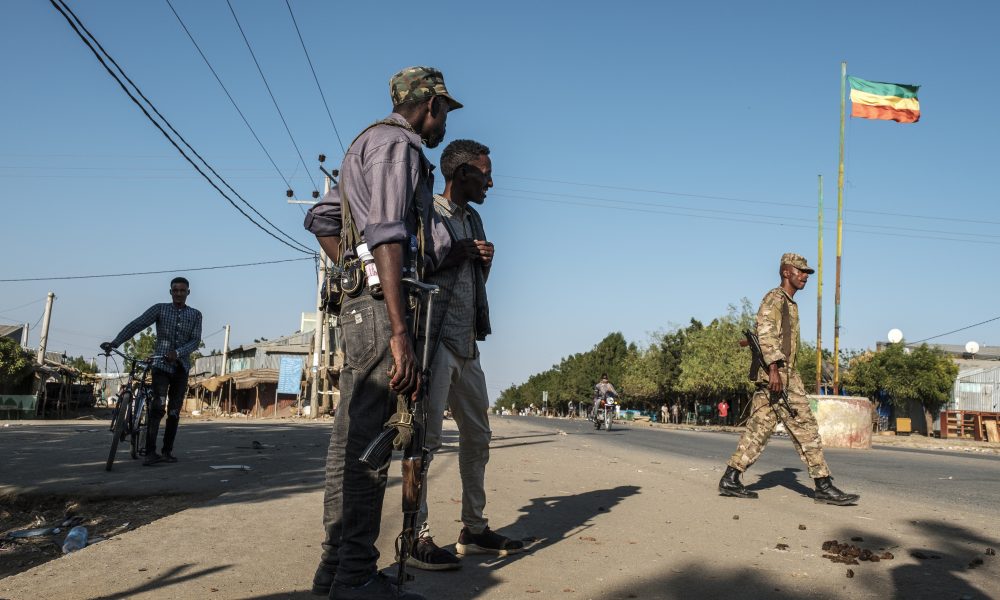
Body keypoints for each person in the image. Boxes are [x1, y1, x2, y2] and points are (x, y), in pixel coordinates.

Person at [305, 66, 462, 600]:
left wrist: (353, 269)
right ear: (429, 104)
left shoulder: (362, 145)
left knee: (349, 440)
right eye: (444, 112)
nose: (442, 126)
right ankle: (354, 577)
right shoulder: (400, 146)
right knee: (374, 439)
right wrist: (398, 326)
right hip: (381, 312)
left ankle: (335, 569)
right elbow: (389, 234)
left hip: (362, 307)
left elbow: (323, 219)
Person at [405, 139, 525, 572]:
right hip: (434, 344)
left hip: (466, 345)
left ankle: (473, 530)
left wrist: (483, 261)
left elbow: (472, 281)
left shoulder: (474, 217)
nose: (490, 181)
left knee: (478, 436)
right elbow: (409, 269)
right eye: (484, 174)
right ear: (461, 175)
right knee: (426, 442)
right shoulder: (427, 213)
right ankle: (413, 538)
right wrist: (453, 253)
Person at [718, 253, 860, 506]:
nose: (805, 276)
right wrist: (774, 369)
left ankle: (731, 478)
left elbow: (766, 335)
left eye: (807, 273)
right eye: (801, 271)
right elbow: (766, 332)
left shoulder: (789, 303)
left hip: (779, 374)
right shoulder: (775, 298)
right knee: (806, 428)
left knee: (759, 429)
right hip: (780, 375)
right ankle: (823, 485)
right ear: (786, 272)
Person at [100, 277, 202, 466]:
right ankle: (150, 452)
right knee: (157, 408)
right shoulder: (160, 309)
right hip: (160, 367)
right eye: (175, 290)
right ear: (170, 292)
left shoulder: (196, 315)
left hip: (181, 368)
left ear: (188, 293)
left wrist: (178, 353)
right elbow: (137, 324)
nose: (178, 293)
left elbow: (195, 341)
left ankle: (167, 452)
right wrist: (115, 342)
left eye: (182, 290)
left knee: (174, 412)